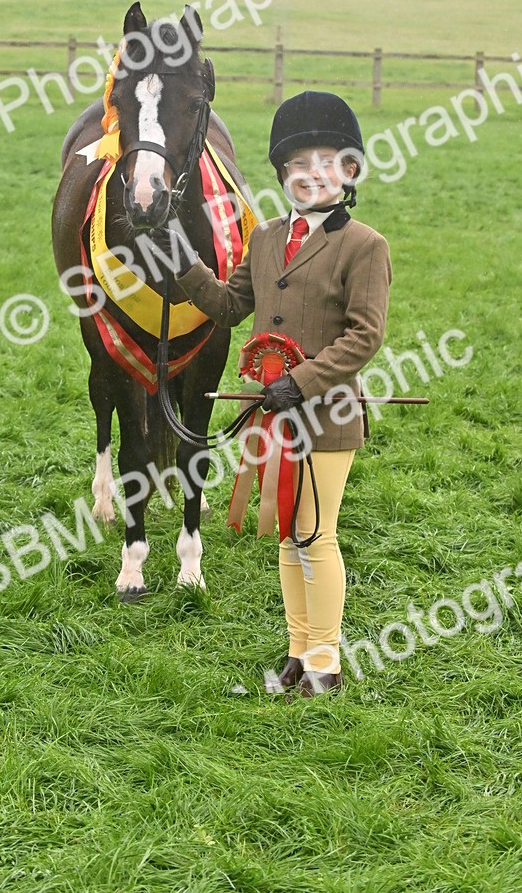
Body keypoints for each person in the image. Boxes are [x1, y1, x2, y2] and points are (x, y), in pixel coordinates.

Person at [154, 91, 391, 698]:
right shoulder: (263, 238)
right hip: (274, 416)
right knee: (288, 536)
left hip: (326, 413)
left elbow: (365, 336)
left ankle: (326, 663)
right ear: (282, 173)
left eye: (326, 162)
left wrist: (300, 381)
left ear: (350, 171)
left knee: (317, 534)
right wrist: (182, 261)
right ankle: (297, 652)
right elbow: (229, 305)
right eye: (297, 164)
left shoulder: (365, 246)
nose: (310, 174)